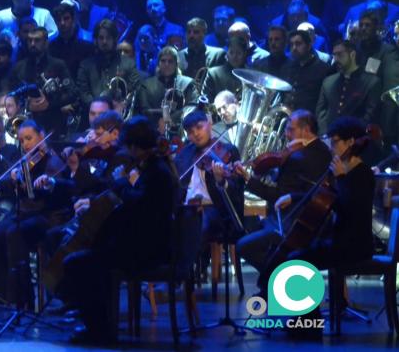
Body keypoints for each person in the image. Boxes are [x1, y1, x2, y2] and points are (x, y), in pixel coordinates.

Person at [60, 116, 177, 344]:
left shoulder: (156, 172)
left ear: (134, 146)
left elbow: (140, 204)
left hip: (148, 250)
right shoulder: (155, 167)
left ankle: (99, 329)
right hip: (145, 243)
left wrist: (123, 183)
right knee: (94, 256)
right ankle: (99, 323)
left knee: (77, 262)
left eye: (128, 147)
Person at [253, 117, 374, 305]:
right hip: (339, 240)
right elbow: (325, 196)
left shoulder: (362, 174)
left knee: (295, 260)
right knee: (295, 253)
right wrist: (293, 197)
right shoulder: (344, 170)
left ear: (350, 142)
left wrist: (341, 178)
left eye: (335, 142)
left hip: (355, 246)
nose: (332, 147)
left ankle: (307, 323)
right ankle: (297, 317)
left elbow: (350, 211)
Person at [234, 110, 332, 275]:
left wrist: (248, 179)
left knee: (243, 245)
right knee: (255, 228)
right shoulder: (323, 150)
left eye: (290, 129)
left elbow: (278, 196)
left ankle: (278, 280)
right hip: (317, 223)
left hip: (291, 224)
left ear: (306, 130)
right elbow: (299, 184)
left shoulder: (297, 157)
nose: (286, 134)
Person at [0, 120, 68, 307]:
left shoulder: (53, 161)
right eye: (22, 140)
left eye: (29, 138)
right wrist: (15, 180)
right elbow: (25, 193)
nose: (25, 144)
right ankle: (2, 294)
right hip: (27, 211)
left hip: (46, 215)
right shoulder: (27, 161)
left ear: (42, 137)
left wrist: (33, 184)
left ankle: (24, 298)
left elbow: (47, 196)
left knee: (14, 233)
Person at [174, 111, 245, 243]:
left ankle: (193, 263)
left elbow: (237, 190)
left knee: (196, 227)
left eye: (199, 127)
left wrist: (221, 180)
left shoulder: (228, 150)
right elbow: (177, 183)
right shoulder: (186, 153)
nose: (195, 133)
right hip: (188, 207)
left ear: (209, 124)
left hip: (217, 209)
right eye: (190, 132)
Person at [9, 27, 77, 136]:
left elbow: (72, 93)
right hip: (25, 124)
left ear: (46, 43)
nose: (32, 44)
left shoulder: (58, 65)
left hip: (53, 123)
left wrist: (49, 104)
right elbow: (10, 96)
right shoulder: (18, 67)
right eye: (29, 40)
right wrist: (26, 105)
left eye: (37, 40)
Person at [316, 40, 380, 134]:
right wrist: (325, 134)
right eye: (334, 55)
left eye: (340, 55)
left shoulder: (371, 82)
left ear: (352, 55)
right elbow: (321, 111)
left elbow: (369, 116)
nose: (336, 59)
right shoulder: (328, 81)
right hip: (328, 137)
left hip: (356, 139)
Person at [281, 29, 334, 113]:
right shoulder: (288, 67)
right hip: (287, 118)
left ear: (309, 45)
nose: (294, 48)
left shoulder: (324, 69)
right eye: (291, 45)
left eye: (298, 44)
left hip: (310, 120)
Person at [48, 0, 94, 78]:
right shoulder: (51, 47)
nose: (62, 23)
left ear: (73, 19)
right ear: (55, 22)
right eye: (59, 19)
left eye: (66, 18)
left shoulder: (87, 44)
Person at [203, 35, 249, 102]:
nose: (234, 57)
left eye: (239, 53)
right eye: (231, 52)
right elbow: (206, 99)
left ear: (245, 54)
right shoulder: (214, 73)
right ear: (227, 53)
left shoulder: (250, 77)